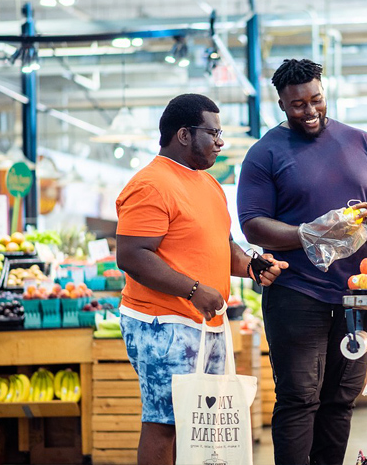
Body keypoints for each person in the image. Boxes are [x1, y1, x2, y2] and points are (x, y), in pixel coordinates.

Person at [237, 59, 367, 465]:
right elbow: (252, 225)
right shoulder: (265, 154)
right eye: (298, 105)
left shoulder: (361, 142)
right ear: (281, 104)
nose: (310, 111)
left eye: (316, 100)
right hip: (296, 294)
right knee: (299, 398)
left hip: (357, 297)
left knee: (341, 399)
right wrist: (307, 234)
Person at [115, 93, 288, 465]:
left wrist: (251, 266)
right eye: (213, 132)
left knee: (200, 421)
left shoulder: (207, 185)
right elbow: (131, 255)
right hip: (162, 323)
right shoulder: (151, 184)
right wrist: (193, 290)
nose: (220, 141)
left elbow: (222, 246)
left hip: (204, 323)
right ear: (183, 134)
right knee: (165, 423)